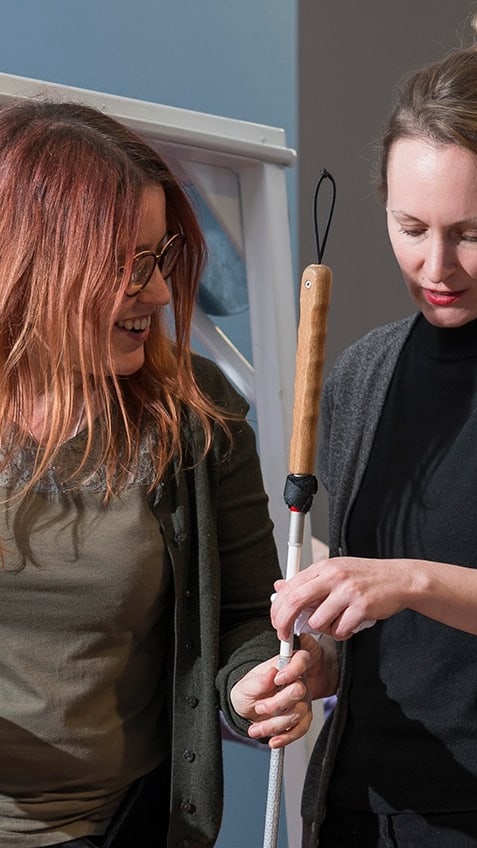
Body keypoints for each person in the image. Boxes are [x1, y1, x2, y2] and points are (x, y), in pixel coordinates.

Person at [0, 98, 318, 848]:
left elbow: (245, 616)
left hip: (117, 829)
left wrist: (252, 685)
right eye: (125, 267)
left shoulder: (194, 412)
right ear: (33, 263)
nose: (160, 293)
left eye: (161, 256)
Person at [271, 41, 477, 848]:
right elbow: (375, 634)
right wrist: (312, 663)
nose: (437, 266)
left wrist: (411, 580)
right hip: (358, 807)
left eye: (471, 232)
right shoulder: (364, 371)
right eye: (410, 227)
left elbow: (402, 586)